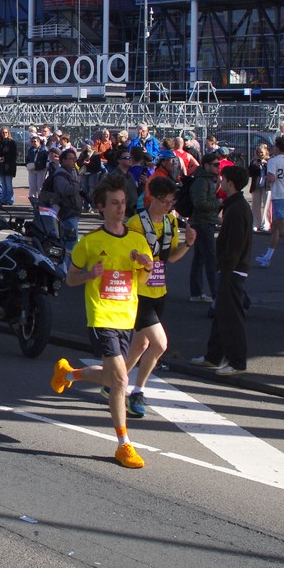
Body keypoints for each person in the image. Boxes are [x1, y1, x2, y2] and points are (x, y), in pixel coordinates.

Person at [50, 179, 152, 469]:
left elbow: (142, 279)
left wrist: (145, 265)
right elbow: (70, 279)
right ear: (101, 207)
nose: (121, 208)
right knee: (120, 380)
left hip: (126, 317)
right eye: (114, 203)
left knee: (111, 377)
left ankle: (68, 374)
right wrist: (89, 275)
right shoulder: (90, 242)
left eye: (123, 203)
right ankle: (123, 444)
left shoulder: (137, 240)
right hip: (101, 316)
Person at [123, 175, 196, 417]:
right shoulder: (136, 223)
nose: (168, 206)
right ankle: (138, 391)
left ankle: (113, 382)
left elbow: (170, 258)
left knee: (141, 344)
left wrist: (188, 244)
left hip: (159, 291)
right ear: (152, 198)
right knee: (160, 344)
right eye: (165, 201)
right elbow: (127, 257)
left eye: (171, 202)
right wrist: (139, 260)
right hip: (139, 293)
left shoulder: (170, 223)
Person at [192, 165, 253, 375]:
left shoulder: (236, 209)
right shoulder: (236, 206)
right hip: (232, 268)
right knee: (221, 313)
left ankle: (237, 362)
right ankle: (214, 356)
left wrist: (225, 267)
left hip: (233, 269)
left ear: (230, 183)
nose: (220, 182)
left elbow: (235, 244)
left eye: (223, 179)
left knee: (232, 316)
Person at [254, 136, 284, 267]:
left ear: (277, 148)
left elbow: (271, 177)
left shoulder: (273, 161)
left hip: (279, 197)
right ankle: (267, 257)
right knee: (275, 229)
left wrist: (269, 180)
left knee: (282, 230)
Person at [188, 153, 222, 303]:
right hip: (202, 223)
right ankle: (216, 294)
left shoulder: (207, 179)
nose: (218, 167)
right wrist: (217, 203)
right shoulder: (202, 181)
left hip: (203, 222)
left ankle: (196, 292)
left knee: (200, 258)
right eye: (215, 165)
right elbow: (200, 203)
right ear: (206, 165)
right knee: (210, 259)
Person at [248, 143, 271, 233]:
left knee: (266, 204)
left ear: (266, 152)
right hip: (256, 185)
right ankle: (255, 223)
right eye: (258, 152)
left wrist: (265, 165)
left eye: (262, 152)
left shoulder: (270, 161)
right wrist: (255, 166)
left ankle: (266, 224)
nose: (260, 154)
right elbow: (249, 173)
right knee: (255, 205)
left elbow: (271, 172)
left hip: (267, 185)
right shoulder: (254, 161)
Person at [0, 127, 18, 205]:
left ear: (8, 133)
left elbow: (14, 155)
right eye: (3, 132)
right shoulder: (0, 142)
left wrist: (5, 158)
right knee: (3, 184)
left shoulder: (12, 142)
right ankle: (3, 199)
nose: (4, 134)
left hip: (9, 166)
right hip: (1, 166)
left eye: (6, 132)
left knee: (8, 184)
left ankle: (10, 200)